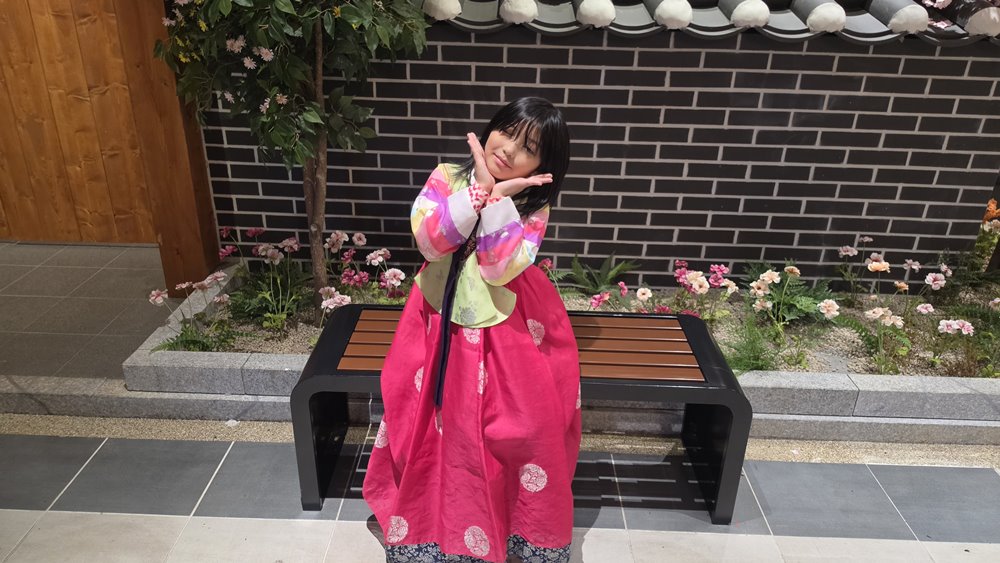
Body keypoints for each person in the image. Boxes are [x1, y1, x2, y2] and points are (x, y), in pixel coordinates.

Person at [362, 97, 581, 563]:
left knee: (519, 424)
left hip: (508, 326)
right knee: (427, 416)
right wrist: (478, 189)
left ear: (543, 165)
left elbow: (500, 269)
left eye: (529, 148)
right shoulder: (447, 177)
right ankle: (431, 524)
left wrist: (499, 200)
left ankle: (515, 527)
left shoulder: (534, 205)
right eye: (507, 133)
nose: (509, 150)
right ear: (491, 128)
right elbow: (431, 243)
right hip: (438, 318)